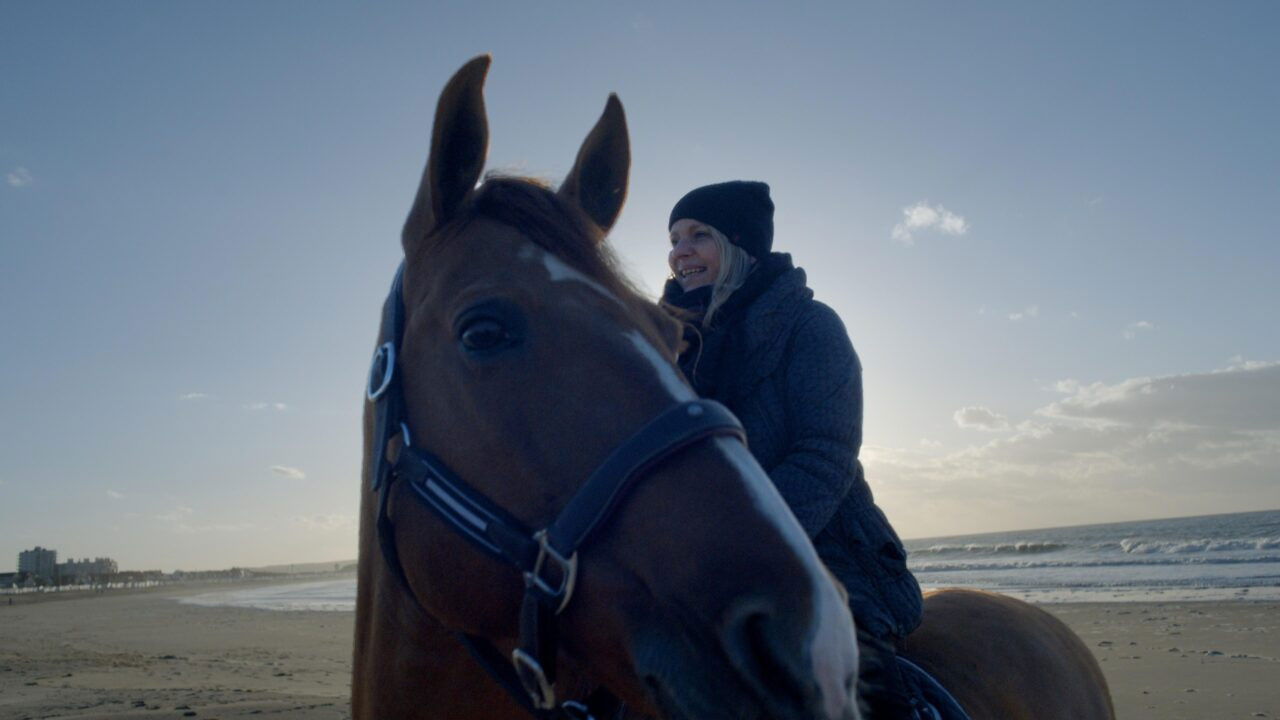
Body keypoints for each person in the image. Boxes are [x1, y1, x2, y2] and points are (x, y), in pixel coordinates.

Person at [661, 181, 926, 719]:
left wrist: (740, 541)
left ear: (740, 245)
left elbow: (825, 455)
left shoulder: (810, 326)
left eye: (698, 235)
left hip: (827, 552)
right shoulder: (669, 342)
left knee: (856, 692)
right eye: (673, 239)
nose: (679, 251)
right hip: (702, 559)